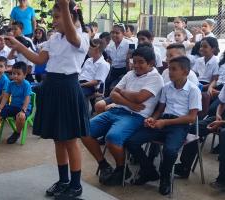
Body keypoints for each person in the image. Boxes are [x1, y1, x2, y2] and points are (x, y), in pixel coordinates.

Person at [5, 0, 90, 197]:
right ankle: (63, 180)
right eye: (53, 17)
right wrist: (18, 44)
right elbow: (38, 60)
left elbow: (73, 37)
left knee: (69, 140)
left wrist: (64, 5)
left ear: (71, 16)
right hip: (51, 87)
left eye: (57, 16)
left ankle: (76, 186)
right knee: (58, 139)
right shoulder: (54, 39)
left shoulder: (82, 37)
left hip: (68, 88)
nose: (54, 21)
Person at [81, 46, 164, 186]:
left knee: (112, 138)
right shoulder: (130, 74)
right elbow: (113, 93)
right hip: (118, 110)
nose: (136, 65)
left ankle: (121, 169)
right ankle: (103, 165)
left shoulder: (156, 78)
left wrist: (123, 93)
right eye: (134, 61)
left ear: (151, 63)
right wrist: (130, 103)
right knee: (84, 130)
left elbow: (139, 97)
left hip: (136, 116)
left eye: (141, 62)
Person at [126, 56, 201, 195]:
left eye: (174, 69)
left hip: (180, 125)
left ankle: (165, 178)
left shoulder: (193, 90)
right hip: (162, 121)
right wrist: (152, 119)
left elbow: (191, 117)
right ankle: (149, 171)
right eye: (169, 69)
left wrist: (165, 122)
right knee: (131, 141)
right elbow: (160, 109)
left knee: (170, 151)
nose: (170, 72)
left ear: (185, 72)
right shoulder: (167, 87)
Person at [103, 24, 129, 96]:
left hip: (125, 70)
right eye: (112, 32)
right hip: (113, 70)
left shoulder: (128, 44)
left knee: (114, 88)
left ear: (123, 34)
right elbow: (109, 59)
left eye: (117, 33)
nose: (114, 35)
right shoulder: (110, 46)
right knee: (105, 87)